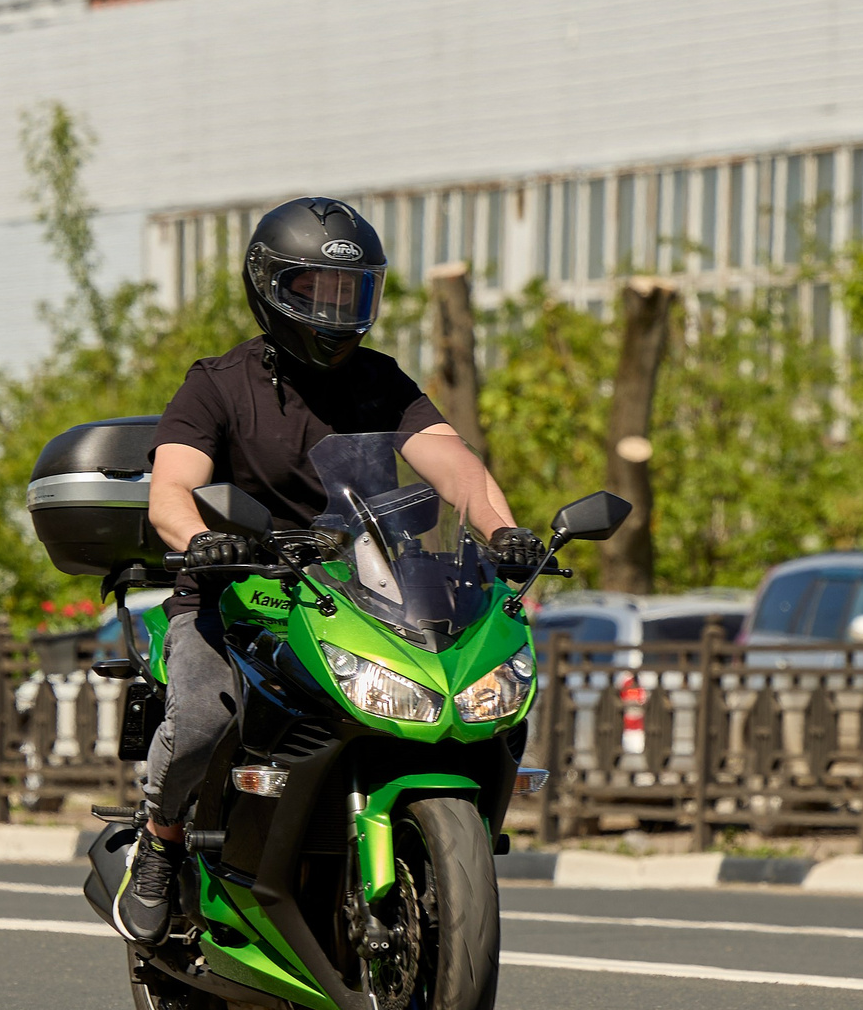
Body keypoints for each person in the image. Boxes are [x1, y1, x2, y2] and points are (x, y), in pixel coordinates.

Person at [114, 196, 542, 944]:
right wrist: (199, 539)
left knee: (481, 691)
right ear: (271, 288)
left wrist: (503, 532)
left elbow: (452, 463)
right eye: (317, 290)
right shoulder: (217, 383)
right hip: (240, 591)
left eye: (352, 293)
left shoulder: (381, 381)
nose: (337, 311)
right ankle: (160, 838)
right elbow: (172, 489)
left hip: (357, 590)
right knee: (207, 714)